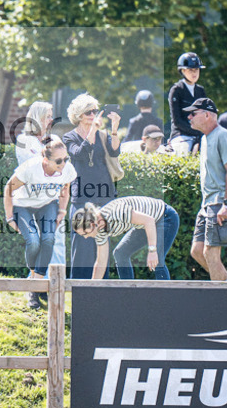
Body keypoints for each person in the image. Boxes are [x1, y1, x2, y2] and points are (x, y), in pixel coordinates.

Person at [4, 137, 76, 309]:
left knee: (48, 240)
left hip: (47, 204)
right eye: (58, 161)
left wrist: (62, 211)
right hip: (23, 206)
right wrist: (9, 218)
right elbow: (8, 188)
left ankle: (34, 290)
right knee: (34, 241)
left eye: (66, 159)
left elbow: (65, 188)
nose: (63, 163)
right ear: (46, 160)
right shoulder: (30, 168)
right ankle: (35, 280)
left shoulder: (67, 169)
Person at [62, 93, 121, 279]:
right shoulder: (69, 137)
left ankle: (102, 297)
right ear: (79, 115)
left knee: (102, 250)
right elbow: (78, 154)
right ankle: (78, 295)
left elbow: (115, 151)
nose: (93, 114)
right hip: (82, 199)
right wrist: (92, 131)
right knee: (82, 251)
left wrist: (114, 129)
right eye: (89, 111)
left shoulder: (102, 135)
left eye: (95, 111)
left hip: (104, 197)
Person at [186, 97, 227, 281]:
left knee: (211, 253)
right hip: (207, 204)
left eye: (193, 113)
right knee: (197, 251)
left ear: (207, 115)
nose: (189, 117)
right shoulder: (204, 139)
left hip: (220, 202)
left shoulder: (223, 135)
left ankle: (224, 298)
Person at [73, 196, 178, 281]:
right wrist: (92, 287)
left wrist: (152, 250)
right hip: (143, 225)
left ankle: (165, 301)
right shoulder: (100, 231)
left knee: (158, 259)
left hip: (164, 217)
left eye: (85, 233)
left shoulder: (116, 212)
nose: (86, 237)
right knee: (120, 253)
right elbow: (101, 262)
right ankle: (128, 294)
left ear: (93, 224)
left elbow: (149, 220)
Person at [15, 101, 67, 268]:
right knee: (36, 242)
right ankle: (35, 282)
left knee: (55, 240)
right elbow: (33, 167)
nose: (51, 120)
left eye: (51, 116)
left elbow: (63, 167)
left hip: (52, 197)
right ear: (37, 118)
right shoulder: (23, 140)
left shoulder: (56, 139)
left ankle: (56, 284)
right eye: (48, 117)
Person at [167, 52, 207, 154]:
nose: (194, 73)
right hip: (181, 135)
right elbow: (177, 121)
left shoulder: (200, 91)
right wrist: (196, 131)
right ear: (183, 71)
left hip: (200, 134)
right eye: (190, 70)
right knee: (184, 152)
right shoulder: (176, 90)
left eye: (196, 70)